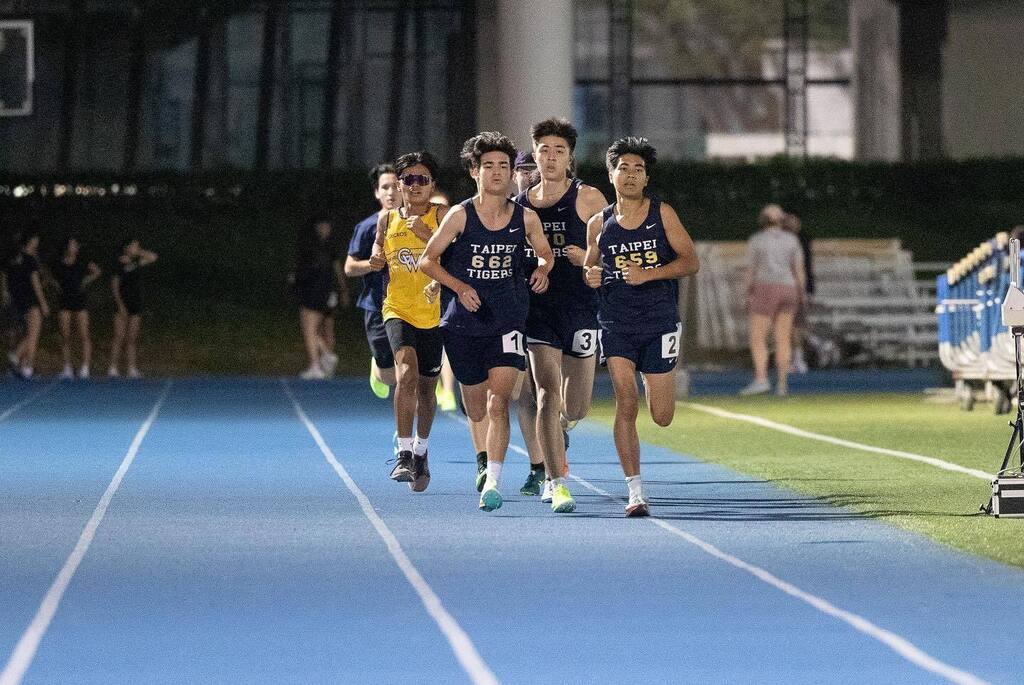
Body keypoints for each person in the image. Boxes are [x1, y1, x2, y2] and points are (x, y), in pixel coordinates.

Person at [420, 131, 560, 513]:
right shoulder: (460, 215)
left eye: (503, 165)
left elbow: (546, 255)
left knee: (500, 401)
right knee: (477, 405)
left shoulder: (525, 217)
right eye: (488, 166)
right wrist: (459, 287)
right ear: (474, 171)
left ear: (511, 171)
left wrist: (543, 270)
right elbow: (427, 260)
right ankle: (482, 459)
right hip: (463, 323)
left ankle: (493, 483)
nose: (497, 172)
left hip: (509, 319)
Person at [583, 137, 699, 517]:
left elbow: (690, 262)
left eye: (638, 169)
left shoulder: (662, 213)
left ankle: (654, 377)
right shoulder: (598, 223)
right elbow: (590, 266)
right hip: (615, 322)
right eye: (624, 168)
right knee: (625, 399)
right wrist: (590, 275)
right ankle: (635, 492)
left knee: (662, 416)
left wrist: (648, 273)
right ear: (611, 175)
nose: (631, 175)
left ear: (646, 178)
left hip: (659, 321)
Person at [515, 118, 608, 507]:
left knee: (576, 407)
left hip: (582, 310)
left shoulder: (588, 198)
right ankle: (555, 481)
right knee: (545, 394)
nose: (551, 157)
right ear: (535, 156)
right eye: (544, 150)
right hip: (539, 310)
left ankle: (561, 428)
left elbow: (615, 248)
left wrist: (585, 256)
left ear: (570, 157)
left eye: (559, 151)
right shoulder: (520, 205)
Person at [371, 151, 449, 492]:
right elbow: (377, 251)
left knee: (428, 389)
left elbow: (455, 257)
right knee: (406, 373)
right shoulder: (387, 220)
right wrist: (375, 258)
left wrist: (426, 235)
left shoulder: (442, 215)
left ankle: (421, 451)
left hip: (434, 313)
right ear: (400, 184)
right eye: (408, 180)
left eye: (422, 179)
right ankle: (403, 453)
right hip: (397, 309)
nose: (415, 186)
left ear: (432, 184)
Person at [345, 164, 401, 397]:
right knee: (389, 376)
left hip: (409, 306)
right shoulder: (367, 227)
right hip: (377, 306)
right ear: (377, 192)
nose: (391, 192)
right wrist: (373, 264)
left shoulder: (418, 224)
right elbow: (349, 268)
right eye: (385, 187)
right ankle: (378, 369)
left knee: (411, 371)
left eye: (395, 186)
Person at [739, 204, 806, 396]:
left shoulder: (757, 240)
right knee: (783, 338)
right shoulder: (792, 240)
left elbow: (751, 270)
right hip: (789, 288)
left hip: (766, 287)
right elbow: (799, 270)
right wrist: (801, 294)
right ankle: (782, 385)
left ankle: (761, 379)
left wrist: (747, 293)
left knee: (758, 337)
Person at [293, 216, 342, 380]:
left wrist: (340, 290)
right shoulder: (314, 247)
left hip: (317, 292)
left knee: (311, 330)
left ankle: (316, 365)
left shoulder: (323, 249)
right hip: (316, 291)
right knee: (311, 329)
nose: (324, 228)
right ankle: (326, 355)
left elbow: (330, 271)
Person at [52, 236, 101, 379]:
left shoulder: (82, 261)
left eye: (76, 245)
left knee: (84, 334)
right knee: (65, 335)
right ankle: (67, 367)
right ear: (66, 247)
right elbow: (48, 274)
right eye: (72, 245)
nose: (74, 247)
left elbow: (97, 271)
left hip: (79, 300)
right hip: (64, 300)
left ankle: (85, 367)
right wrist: (56, 284)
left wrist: (86, 280)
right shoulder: (59, 263)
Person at [109, 237, 157, 379]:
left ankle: (131, 368)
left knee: (132, 338)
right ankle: (112, 367)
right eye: (134, 246)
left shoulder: (137, 262)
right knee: (118, 336)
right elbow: (114, 285)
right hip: (122, 303)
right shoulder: (118, 263)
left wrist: (139, 251)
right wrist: (120, 305)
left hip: (136, 303)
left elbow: (153, 257)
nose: (136, 248)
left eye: (138, 246)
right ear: (126, 247)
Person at [6, 232, 49, 379]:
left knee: (30, 332)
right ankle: (22, 361)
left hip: (18, 300)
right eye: (35, 240)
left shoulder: (14, 258)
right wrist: (43, 303)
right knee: (34, 334)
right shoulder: (29, 259)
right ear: (30, 241)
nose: (37, 242)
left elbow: (9, 279)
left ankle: (23, 363)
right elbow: (35, 282)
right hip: (30, 299)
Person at [783, 211, 813, 374]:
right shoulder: (788, 242)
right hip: (788, 287)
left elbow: (803, 268)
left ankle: (797, 359)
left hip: (794, 288)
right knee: (792, 326)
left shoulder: (800, 242)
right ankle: (796, 359)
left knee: (794, 326)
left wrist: (805, 291)